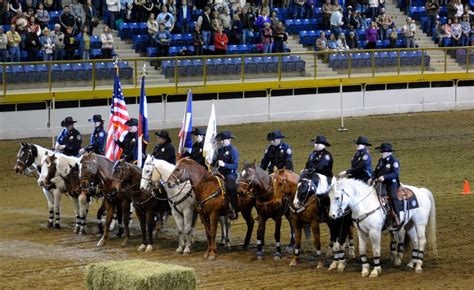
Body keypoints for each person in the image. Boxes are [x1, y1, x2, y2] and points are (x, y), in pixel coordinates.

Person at [369, 143, 401, 227]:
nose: (381, 153)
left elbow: (396, 173)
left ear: (388, 152)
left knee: (393, 196)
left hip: (392, 183)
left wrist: (385, 177)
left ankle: (397, 216)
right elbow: (376, 172)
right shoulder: (381, 161)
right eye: (381, 152)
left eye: (382, 152)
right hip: (381, 183)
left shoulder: (394, 161)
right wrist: (371, 178)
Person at [214, 131, 239, 220]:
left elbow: (235, 165)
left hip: (230, 173)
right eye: (221, 140)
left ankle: (234, 209)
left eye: (223, 140)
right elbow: (217, 162)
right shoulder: (220, 150)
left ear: (229, 140)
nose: (221, 142)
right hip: (220, 173)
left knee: (231, 188)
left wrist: (224, 165)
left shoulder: (233, 151)